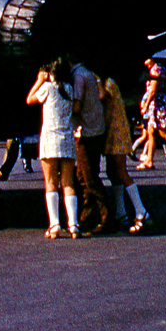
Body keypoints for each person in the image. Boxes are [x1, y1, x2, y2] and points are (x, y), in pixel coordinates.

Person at [27, 59, 80, 239]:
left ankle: (55, 224)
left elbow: (29, 99)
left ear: (51, 74)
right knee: (68, 183)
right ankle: (73, 224)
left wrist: (39, 80)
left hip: (50, 138)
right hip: (67, 138)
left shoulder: (47, 89)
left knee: (51, 182)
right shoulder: (70, 89)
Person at [100, 77, 151, 233]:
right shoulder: (109, 82)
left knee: (121, 172)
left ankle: (141, 211)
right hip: (113, 131)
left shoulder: (107, 83)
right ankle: (121, 212)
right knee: (112, 172)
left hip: (116, 132)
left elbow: (101, 97)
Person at [69, 56, 109, 234]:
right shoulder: (89, 74)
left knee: (89, 178)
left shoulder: (78, 76)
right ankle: (86, 216)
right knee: (83, 177)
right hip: (96, 129)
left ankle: (106, 216)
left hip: (85, 132)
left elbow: (76, 106)